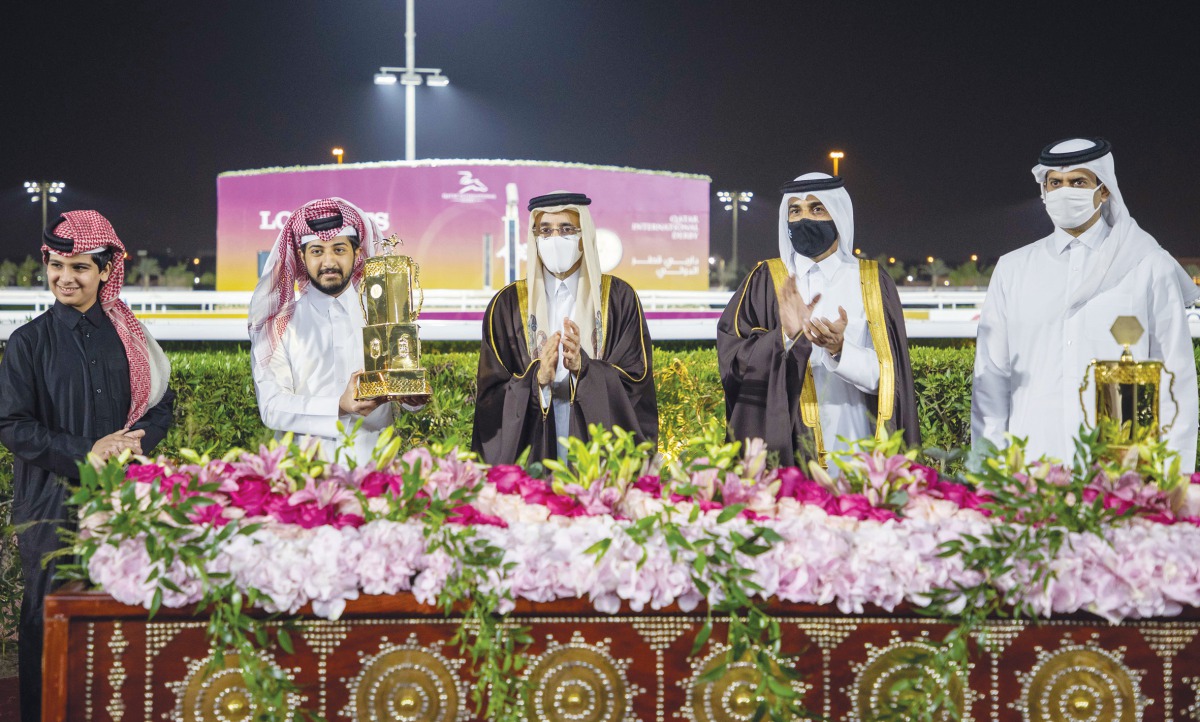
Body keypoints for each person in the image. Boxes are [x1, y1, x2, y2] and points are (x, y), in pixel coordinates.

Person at [0, 210, 175, 722]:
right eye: (56, 265)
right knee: (48, 622)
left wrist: (135, 444)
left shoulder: (132, 337)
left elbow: (161, 404)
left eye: (79, 267)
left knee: (121, 617)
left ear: (105, 270)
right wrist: (87, 451)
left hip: (124, 502)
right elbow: (11, 424)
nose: (65, 278)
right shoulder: (27, 343)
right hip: (51, 507)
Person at [973, 137, 1199, 470]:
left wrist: (1173, 480)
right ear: (1044, 191)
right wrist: (987, 474)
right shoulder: (1013, 269)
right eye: (1055, 183)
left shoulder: (1148, 266)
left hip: (1120, 472)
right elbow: (991, 380)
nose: (1065, 191)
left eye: (1078, 182)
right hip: (1031, 467)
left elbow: (1174, 379)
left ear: (1104, 189)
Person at [717, 173, 919, 467]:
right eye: (795, 210)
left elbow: (890, 381)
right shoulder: (764, 281)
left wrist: (839, 350)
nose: (804, 219)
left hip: (857, 449)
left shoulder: (872, 281)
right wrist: (784, 337)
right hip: (785, 448)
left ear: (837, 215)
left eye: (817, 209)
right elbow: (733, 365)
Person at [472, 191, 657, 464]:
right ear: (534, 238)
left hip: (595, 439)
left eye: (566, 229)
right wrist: (536, 381)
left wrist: (586, 371)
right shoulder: (507, 305)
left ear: (584, 235)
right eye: (545, 231)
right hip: (532, 435)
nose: (555, 239)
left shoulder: (618, 298)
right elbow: (491, 395)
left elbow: (636, 380)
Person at [249, 197, 418, 464]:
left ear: (357, 253)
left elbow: (405, 389)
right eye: (317, 251)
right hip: (308, 476)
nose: (329, 262)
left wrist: (412, 396)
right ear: (302, 257)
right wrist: (338, 406)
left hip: (376, 471)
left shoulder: (384, 313)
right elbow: (272, 408)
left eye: (339, 249)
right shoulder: (280, 324)